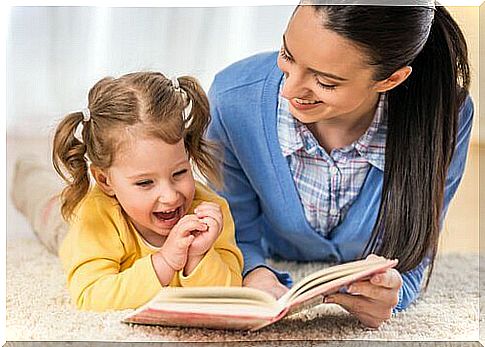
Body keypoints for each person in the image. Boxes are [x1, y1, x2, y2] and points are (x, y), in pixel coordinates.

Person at [207, 2, 473, 328]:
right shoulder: (233, 100)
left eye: (325, 81)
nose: (288, 90)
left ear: (390, 79)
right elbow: (233, 232)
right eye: (287, 55)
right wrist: (253, 272)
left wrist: (395, 291)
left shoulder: (447, 115)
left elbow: (416, 250)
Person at [11, 72, 243, 311]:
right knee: (46, 205)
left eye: (179, 173)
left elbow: (231, 293)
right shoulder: (92, 217)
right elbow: (90, 295)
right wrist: (164, 262)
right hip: (71, 225)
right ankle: (26, 170)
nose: (171, 195)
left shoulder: (209, 212)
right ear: (104, 180)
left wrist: (198, 257)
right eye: (145, 183)